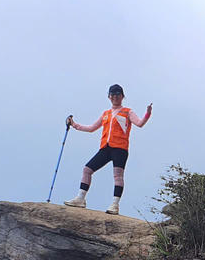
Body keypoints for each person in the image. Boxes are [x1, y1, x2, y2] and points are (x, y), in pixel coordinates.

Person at [63, 84, 153, 215]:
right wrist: (74, 125)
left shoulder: (127, 112)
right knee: (87, 170)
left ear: (122, 96)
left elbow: (139, 123)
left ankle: (115, 204)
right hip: (106, 148)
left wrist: (147, 113)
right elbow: (92, 128)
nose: (115, 97)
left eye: (118, 94)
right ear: (109, 97)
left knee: (118, 176)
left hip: (120, 148)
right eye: (113, 95)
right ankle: (80, 198)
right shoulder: (106, 114)